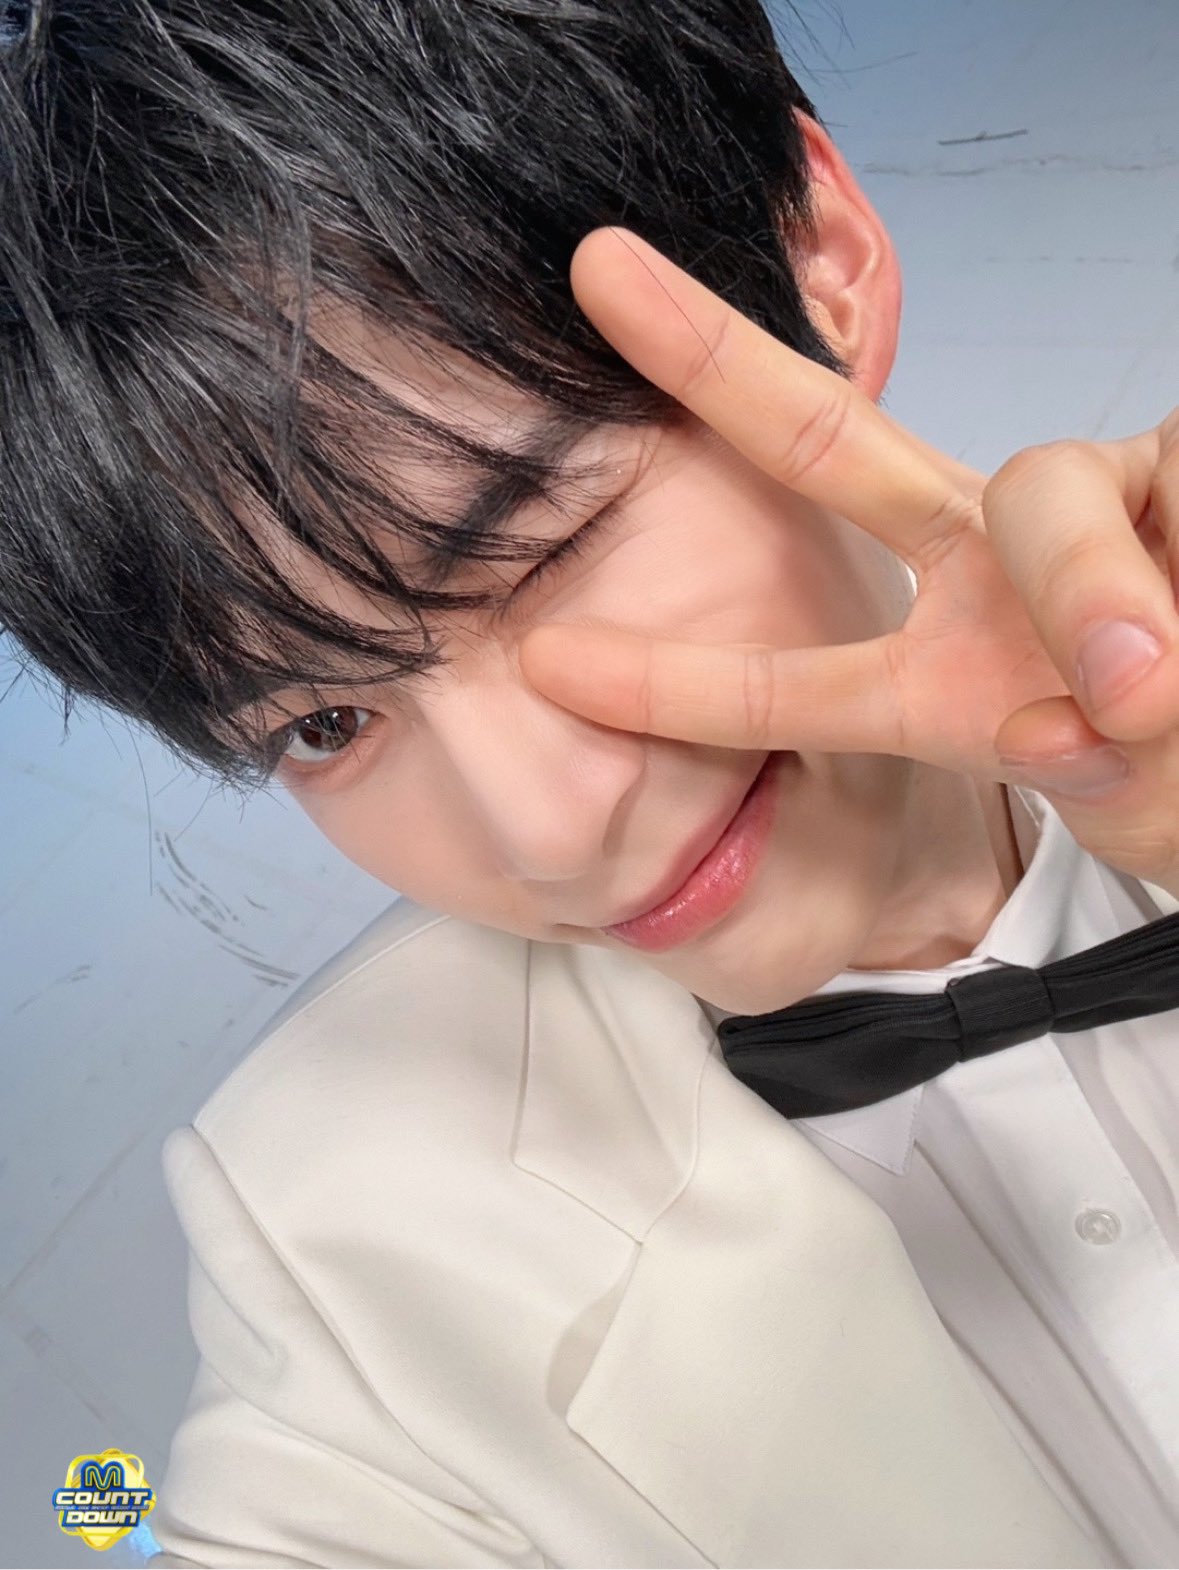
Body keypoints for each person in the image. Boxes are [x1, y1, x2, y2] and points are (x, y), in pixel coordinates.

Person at [2, 1, 1178, 1564]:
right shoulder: (340, 1250)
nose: (549, 831)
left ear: (818, 265)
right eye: (325, 722)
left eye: (540, 542)